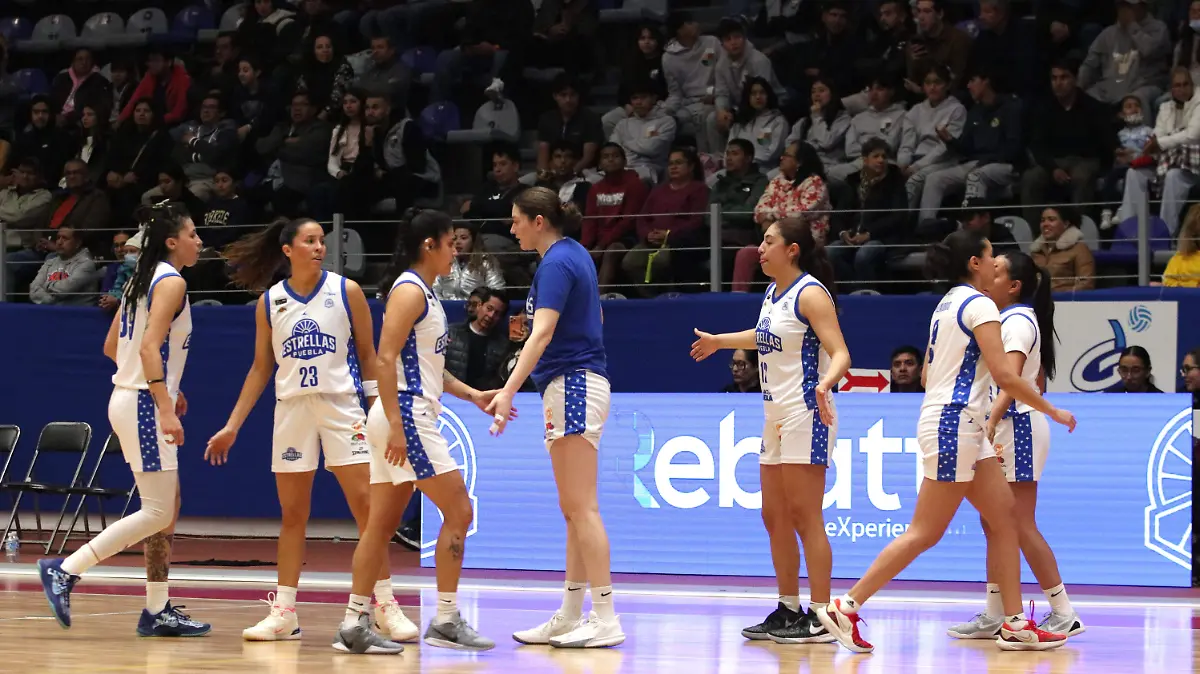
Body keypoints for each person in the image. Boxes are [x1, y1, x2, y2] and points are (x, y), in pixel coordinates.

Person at [815, 228, 1077, 654]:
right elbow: (1008, 376)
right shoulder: (981, 306)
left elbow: (926, 374)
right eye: (992, 255)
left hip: (960, 423)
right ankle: (847, 605)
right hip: (956, 425)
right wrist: (1052, 410)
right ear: (975, 263)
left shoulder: (948, 303)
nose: (997, 262)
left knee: (1005, 520)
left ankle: (1013, 623)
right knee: (925, 531)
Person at [204, 218, 414, 644]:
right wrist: (232, 424)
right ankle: (284, 612)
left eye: (322, 241)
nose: (319, 247)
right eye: (310, 241)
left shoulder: (346, 290)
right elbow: (262, 368)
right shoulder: (270, 301)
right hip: (292, 410)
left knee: (368, 512)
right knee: (293, 515)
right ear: (288, 249)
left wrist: (382, 412)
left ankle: (385, 605)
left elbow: (369, 354)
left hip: (342, 406)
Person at [334, 209, 504, 655]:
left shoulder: (422, 292)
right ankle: (446, 618)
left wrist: (473, 395)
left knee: (379, 527)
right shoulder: (409, 291)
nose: (456, 250)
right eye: (450, 243)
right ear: (429, 245)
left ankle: (354, 622)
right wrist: (394, 423)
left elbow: (428, 366)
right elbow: (384, 360)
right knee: (460, 511)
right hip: (405, 416)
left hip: (403, 413)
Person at [37, 203, 210, 637]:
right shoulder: (171, 281)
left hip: (131, 397)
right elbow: (149, 349)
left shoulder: (138, 280)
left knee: (167, 507)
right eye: (193, 234)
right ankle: (66, 569)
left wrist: (168, 386)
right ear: (172, 241)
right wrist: (164, 405)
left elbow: (114, 346)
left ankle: (156, 610)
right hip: (142, 405)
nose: (199, 241)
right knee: (157, 510)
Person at [690, 216, 852, 645]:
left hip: (806, 411)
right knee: (774, 516)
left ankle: (821, 615)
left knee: (805, 516)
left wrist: (825, 381)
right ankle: (788, 609)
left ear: (792, 249)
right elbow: (764, 337)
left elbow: (840, 353)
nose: (759, 249)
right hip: (773, 416)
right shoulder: (772, 293)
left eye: (768, 241)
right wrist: (720, 341)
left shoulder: (811, 293)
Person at [486, 187, 624, 648]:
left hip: (574, 384)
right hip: (571, 384)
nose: (512, 228)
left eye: (516, 220)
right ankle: (569, 613)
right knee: (574, 511)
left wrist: (507, 392)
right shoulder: (573, 257)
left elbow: (541, 333)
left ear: (538, 220)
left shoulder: (557, 263)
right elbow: (598, 317)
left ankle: (604, 616)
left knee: (582, 509)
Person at [947, 250, 1085, 641]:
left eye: (998, 269)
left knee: (1017, 524)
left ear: (1014, 286)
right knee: (994, 523)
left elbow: (1010, 380)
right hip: (1006, 426)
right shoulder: (1002, 318)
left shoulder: (1019, 320)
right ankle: (996, 611)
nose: (988, 273)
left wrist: (989, 421)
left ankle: (1063, 611)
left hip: (1017, 427)